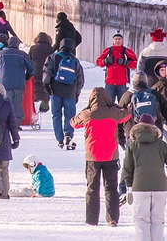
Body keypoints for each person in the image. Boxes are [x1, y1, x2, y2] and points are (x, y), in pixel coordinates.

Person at [70, 86, 132, 227]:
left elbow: (73, 122)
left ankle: (92, 219)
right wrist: (115, 106)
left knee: (92, 189)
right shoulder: (113, 113)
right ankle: (112, 218)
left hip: (92, 156)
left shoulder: (87, 114)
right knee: (111, 188)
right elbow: (127, 115)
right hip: (111, 155)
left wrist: (86, 109)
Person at [122, 113, 167, 241]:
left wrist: (129, 188)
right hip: (160, 187)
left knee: (141, 219)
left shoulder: (133, 146)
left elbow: (127, 169)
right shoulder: (161, 145)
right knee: (158, 219)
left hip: (139, 187)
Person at [43, 39, 85, 150]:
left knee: (56, 115)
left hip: (55, 91)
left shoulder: (53, 57)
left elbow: (47, 72)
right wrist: (77, 93)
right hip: (70, 92)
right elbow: (80, 80)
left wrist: (47, 86)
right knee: (70, 116)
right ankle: (68, 135)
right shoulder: (75, 60)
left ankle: (60, 139)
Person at [0, 36, 34, 122]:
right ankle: (16, 123)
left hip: (5, 83)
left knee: (6, 104)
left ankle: (5, 122)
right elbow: (32, 68)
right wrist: (27, 75)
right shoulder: (22, 55)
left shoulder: (1, 54)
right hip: (19, 83)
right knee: (17, 105)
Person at [97, 32, 138, 104]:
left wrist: (125, 63)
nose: (117, 41)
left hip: (122, 83)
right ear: (113, 41)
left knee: (123, 105)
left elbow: (136, 64)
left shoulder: (127, 51)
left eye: (119, 39)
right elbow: (98, 62)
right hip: (110, 83)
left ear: (122, 40)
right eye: (116, 39)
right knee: (108, 104)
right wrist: (106, 61)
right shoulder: (108, 51)